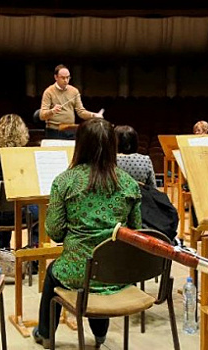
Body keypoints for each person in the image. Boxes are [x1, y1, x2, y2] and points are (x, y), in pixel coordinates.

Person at [33, 118, 142, 348]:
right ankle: (100, 335)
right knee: (100, 267)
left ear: (79, 144)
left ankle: (45, 333)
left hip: (78, 272)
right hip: (116, 272)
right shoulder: (130, 184)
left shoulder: (65, 182)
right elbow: (135, 232)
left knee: (54, 272)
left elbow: (54, 232)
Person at [0, 114, 39, 250]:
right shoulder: (25, 157)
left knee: (2, 199)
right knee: (43, 210)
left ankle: (4, 248)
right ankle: (33, 250)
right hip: (18, 213)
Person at [39, 64, 103, 140]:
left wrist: (94, 115)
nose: (66, 80)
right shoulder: (48, 92)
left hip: (70, 130)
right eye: (63, 78)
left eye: (68, 77)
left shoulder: (74, 91)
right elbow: (42, 116)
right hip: (54, 131)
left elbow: (81, 112)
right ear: (56, 77)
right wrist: (52, 111)